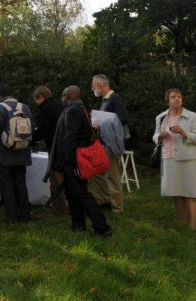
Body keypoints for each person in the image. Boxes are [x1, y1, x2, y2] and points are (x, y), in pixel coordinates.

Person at [51, 86, 112, 237]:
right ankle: (78, 226)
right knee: (73, 194)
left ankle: (102, 228)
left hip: (73, 161)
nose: (61, 98)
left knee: (81, 194)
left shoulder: (72, 111)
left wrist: (70, 163)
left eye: (63, 95)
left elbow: (70, 138)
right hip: (74, 160)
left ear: (68, 96)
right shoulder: (80, 108)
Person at [153, 89, 196, 231]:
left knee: (191, 191)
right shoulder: (161, 117)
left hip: (188, 158)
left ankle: (192, 225)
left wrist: (183, 132)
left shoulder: (193, 116)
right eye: (173, 97)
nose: (176, 99)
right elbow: (155, 135)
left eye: (179, 97)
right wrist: (159, 136)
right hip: (168, 158)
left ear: (182, 100)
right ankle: (181, 223)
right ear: (167, 101)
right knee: (176, 192)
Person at [0, 84, 32, 224]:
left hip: (4, 154)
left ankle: (12, 217)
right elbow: (31, 130)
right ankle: (25, 216)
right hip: (22, 153)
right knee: (21, 184)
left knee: (7, 186)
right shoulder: (25, 108)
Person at [89, 74, 129, 212]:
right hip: (103, 143)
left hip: (111, 144)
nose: (92, 88)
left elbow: (123, 118)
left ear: (101, 85)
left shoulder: (114, 98)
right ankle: (107, 200)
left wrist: (102, 124)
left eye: (93, 85)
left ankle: (117, 206)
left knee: (112, 175)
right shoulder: (104, 100)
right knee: (98, 173)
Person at [32, 85, 67, 215]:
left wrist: (31, 140)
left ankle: (61, 210)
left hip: (54, 147)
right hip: (64, 146)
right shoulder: (59, 106)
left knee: (56, 179)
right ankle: (67, 206)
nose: (36, 103)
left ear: (40, 97)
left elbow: (42, 131)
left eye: (36, 100)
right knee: (64, 178)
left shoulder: (46, 109)